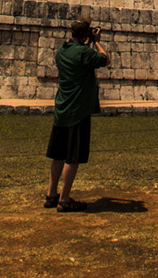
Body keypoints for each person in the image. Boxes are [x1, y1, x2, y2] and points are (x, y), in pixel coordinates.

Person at [43, 19, 110, 212]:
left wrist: (86, 41)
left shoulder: (62, 51)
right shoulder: (85, 52)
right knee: (72, 157)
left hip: (61, 109)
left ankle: (51, 195)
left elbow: (79, 58)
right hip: (78, 110)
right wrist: (96, 42)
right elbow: (105, 59)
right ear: (86, 35)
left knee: (57, 155)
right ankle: (64, 199)